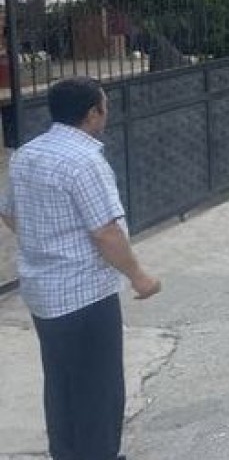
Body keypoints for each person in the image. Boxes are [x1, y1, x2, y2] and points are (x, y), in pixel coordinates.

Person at [0, 77, 163, 460]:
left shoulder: (27, 154)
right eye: (104, 106)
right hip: (84, 295)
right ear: (93, 113)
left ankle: (67, 453)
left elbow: (8, 211)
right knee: (99, 389)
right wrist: (139, 276)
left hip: (43, 293)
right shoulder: (85, 161)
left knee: (62, 383)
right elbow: (106, 232)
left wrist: (45, 242)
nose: (106, 113)